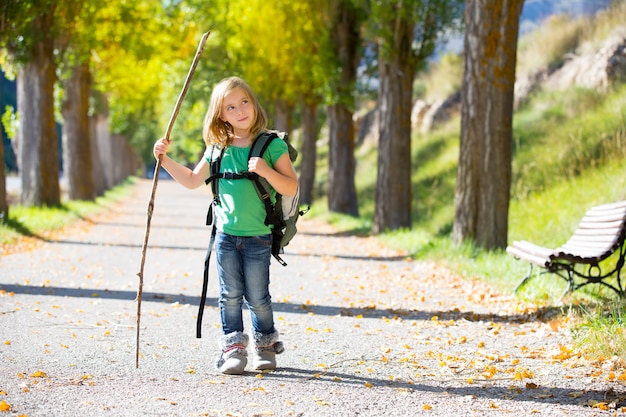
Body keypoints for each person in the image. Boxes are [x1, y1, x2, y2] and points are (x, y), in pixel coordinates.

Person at [153, 76, 298, 375]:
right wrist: (164, 160)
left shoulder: (271, 145)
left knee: (258, 297)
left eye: (244, 102)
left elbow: (290, 187)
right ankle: (233, 349)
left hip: (258, 236)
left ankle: (266, 345)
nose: (240, 110)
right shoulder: (217, 147)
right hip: (225, 236)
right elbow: (193, 180)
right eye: (231, 106)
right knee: (229, 295)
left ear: (254, 104)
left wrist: (266, 170)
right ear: (220, 114)